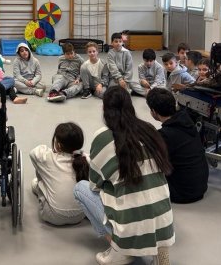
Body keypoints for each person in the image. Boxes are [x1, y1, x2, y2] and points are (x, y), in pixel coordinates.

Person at [74, 86, 174, 265]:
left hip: (130, 226)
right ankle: (161, 249)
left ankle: (119, 249)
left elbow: (94, 184)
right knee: (147, 191)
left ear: (104, 109)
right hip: (164, 220)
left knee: (81, 189)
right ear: (130, 106)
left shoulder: (103, 137)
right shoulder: (150, 130)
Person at [147, 88, 209, 204]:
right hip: (200, 187)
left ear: (153, 111)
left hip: (182, 193)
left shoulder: (165, 135)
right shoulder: (188, 121)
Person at [30, 122, 87, 226]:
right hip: (80, 215)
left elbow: (33, 153)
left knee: (41, 168)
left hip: (53, 215)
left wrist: (52, 152)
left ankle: (39, 187)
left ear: (59, 145)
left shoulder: (47, 158)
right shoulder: (86, 160)